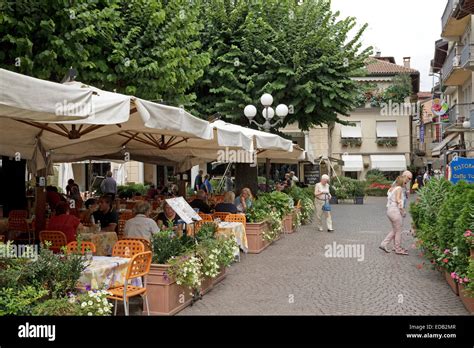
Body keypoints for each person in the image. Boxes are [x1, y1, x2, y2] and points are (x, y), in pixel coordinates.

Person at [379, 176, 408, 255]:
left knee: (395, 229)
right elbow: (398, 200)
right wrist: (403, 211)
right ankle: (397, 248)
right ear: (402, 182)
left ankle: (384, 244)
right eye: (405, 182)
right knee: (398, 230)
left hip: (389, 210)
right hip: (395, 210)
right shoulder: (399, 189)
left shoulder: (391, 189)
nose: (406, 184)